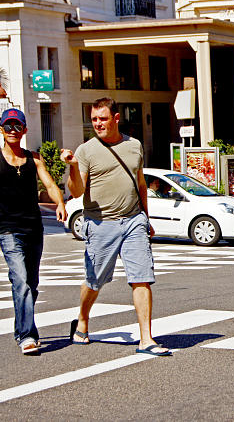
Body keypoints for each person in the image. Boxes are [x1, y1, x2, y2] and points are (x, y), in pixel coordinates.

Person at [60, 98, 171, 356]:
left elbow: (140, 183)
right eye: (94, 119)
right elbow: (76, 191)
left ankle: (146, 339)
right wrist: (73, 167)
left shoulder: (134, 146)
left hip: (133, 221)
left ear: (116, 118)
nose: (97, 123)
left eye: (102, 118)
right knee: (94, 280)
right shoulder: (86, 150)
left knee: (142, 278)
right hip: (100, 224)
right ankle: (83, 320)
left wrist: (146, 217)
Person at [0, 108, 67, 354]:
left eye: (17, 126)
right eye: (8, 126)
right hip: (7, 229)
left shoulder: (34, 159)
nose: (13, 131)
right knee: (21, 280)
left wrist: (59, 202)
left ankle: (24, 328)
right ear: (1, 129)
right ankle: (26, 336)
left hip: (33, 229)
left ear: (25, 130)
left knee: (32, 284)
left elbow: (49, 183)